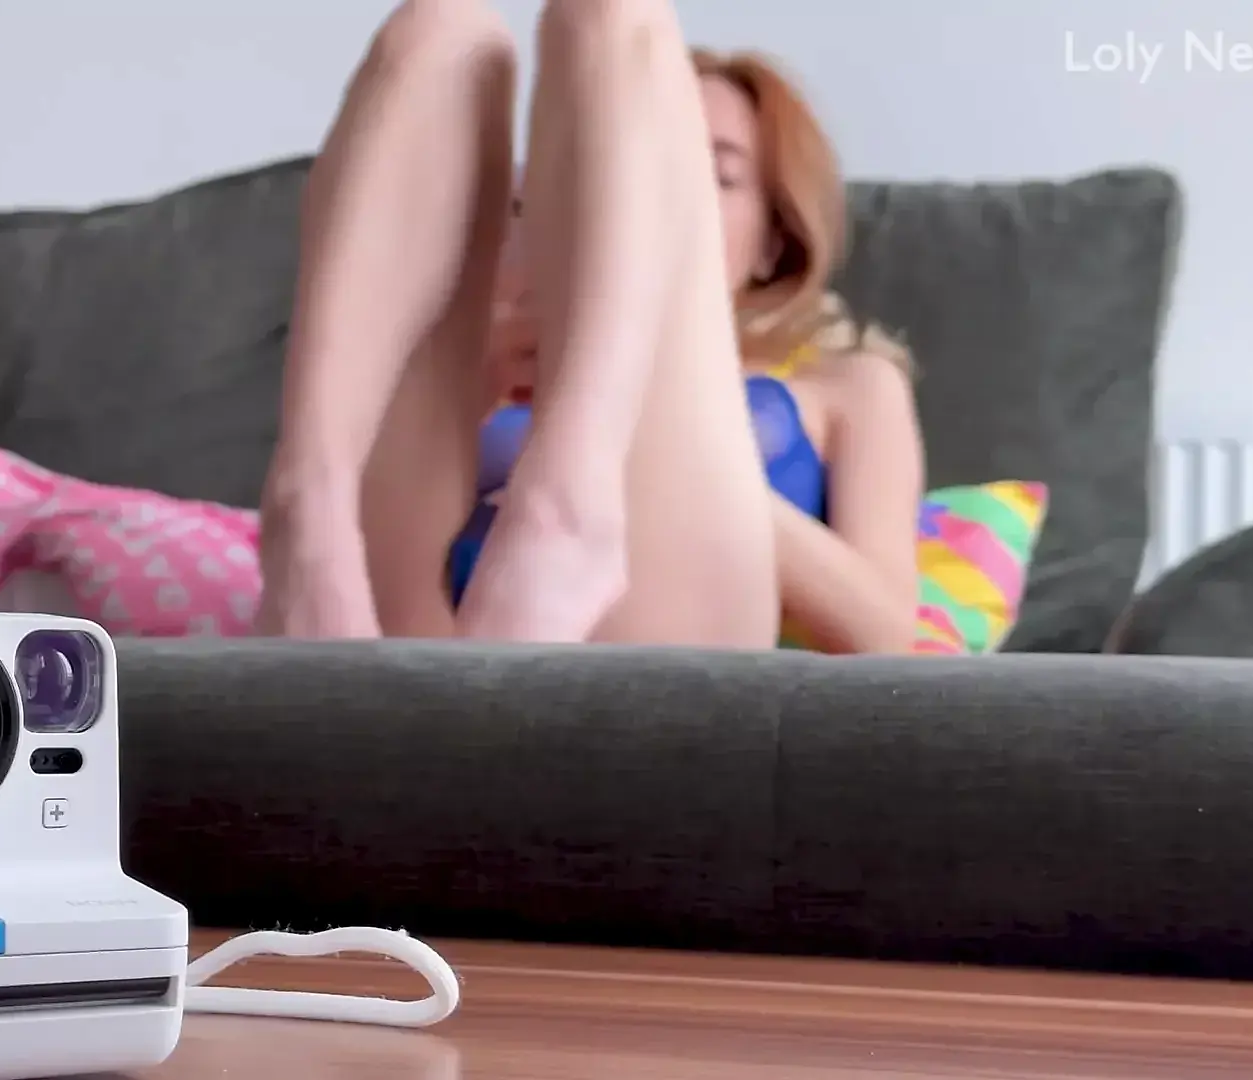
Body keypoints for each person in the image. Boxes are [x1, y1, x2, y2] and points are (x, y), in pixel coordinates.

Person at [253, 0, 925, 652]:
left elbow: (887, 636)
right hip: (411, 623)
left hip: (659, 628)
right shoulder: (485, 346)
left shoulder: (849, 384)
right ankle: (304, 509)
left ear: (775, 241)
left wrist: (616, 431)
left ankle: (568, 509)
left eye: (706, 175)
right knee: (443, 32)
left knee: (611, 11)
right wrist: (485, 381)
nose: (657, 195)